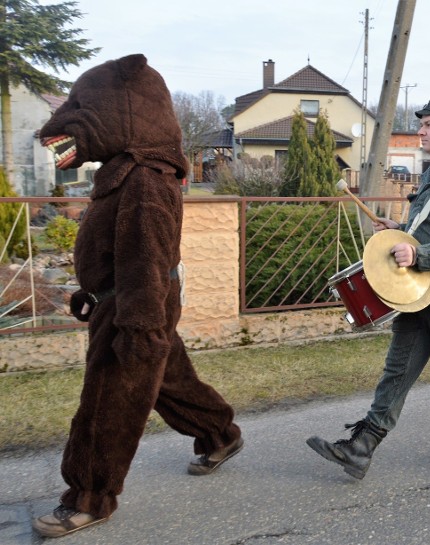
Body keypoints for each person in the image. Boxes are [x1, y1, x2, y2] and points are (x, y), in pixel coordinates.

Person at [32, 55, 243, 538]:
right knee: (169, 379)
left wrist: (139, 326)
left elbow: (146, 258)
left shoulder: (147, 178)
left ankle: (90, 498)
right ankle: (220, 434)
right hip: (124, 301)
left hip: (136, 306)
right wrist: (92, 291)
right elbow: (115, 246)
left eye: (84, 107)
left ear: (124, 109)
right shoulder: (123, 169)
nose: (69, 118)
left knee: (109, 401)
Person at [306, 95, 430, 482]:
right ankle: (361, 448)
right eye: (422, 124)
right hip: (419, 292)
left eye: (428, 124)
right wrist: (396, 230)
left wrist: (419, 254)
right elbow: (427, 226)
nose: (421, 131)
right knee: (398, 368)